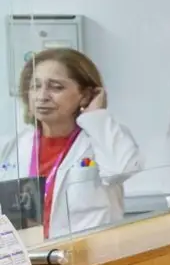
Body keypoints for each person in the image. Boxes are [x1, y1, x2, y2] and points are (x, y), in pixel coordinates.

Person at [0, 48, 142, 239]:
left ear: (84, 95)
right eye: (35, 86)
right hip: (31, 257)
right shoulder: (14, 146)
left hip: (90, 258)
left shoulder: (101, 137)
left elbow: (122, 169)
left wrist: (96, 116)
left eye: (56, 87)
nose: (42, 96)